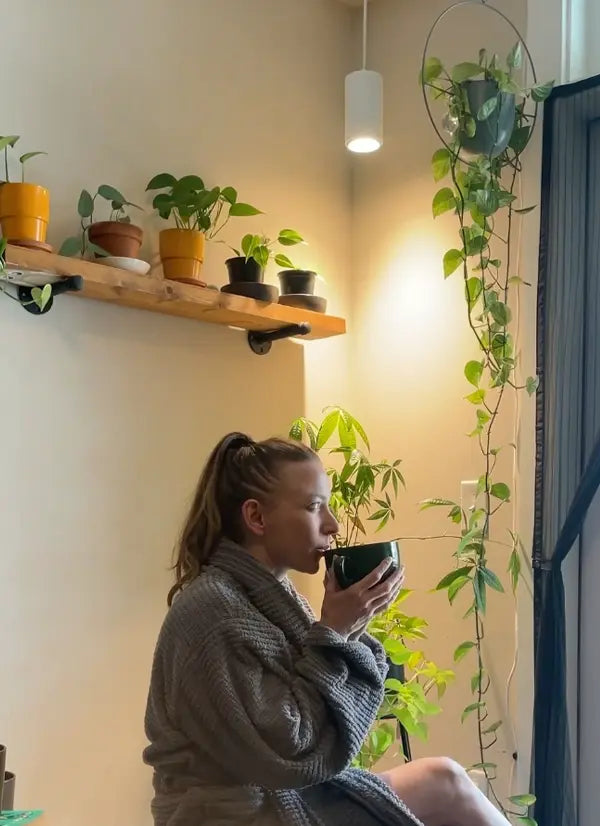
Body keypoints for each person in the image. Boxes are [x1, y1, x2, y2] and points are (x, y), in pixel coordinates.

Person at [143, 433, 510, 826]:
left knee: (445, 779)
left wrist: (349, 628)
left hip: (285, 798)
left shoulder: (268, 596)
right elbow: (291, 752)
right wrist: (336, 631)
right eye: (314, 506)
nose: (332, 525)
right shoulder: (213, 612)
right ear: (257, 517)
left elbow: (315, 715)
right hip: (236, 815)